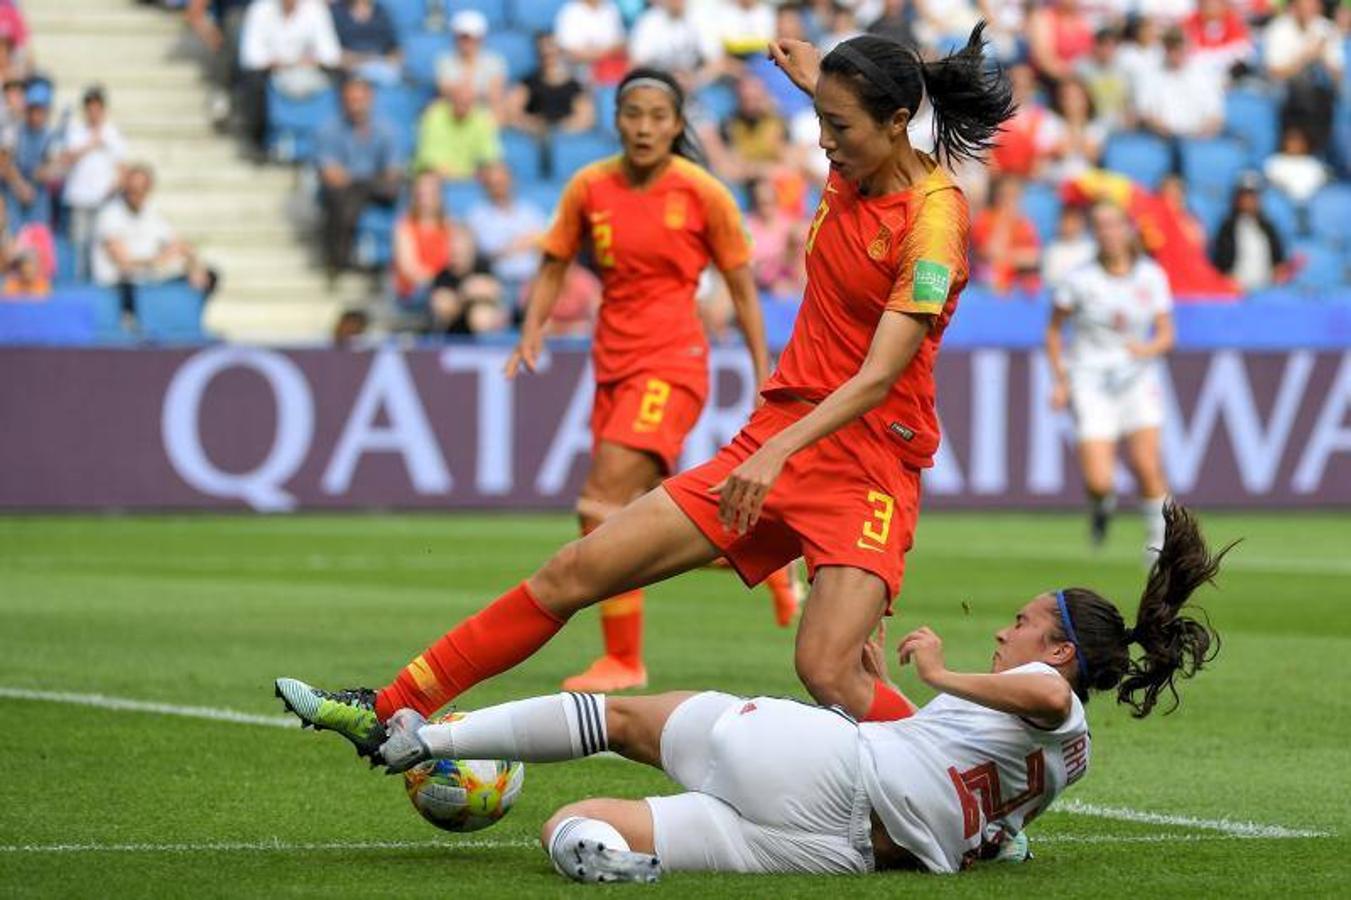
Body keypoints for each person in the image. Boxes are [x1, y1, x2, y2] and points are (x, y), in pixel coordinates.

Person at [275, 26, 1015, 751]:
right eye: (818, 117)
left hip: (865, 464)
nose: (822, 140)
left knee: (827, 669)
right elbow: (829, 75)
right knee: (575, 568)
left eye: (837, 126)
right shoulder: (857, 145)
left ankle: (966, 792)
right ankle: (389, 706)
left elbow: (879, 373)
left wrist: (772, 453)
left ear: (895, 124)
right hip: (777, 437)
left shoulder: (933, 222)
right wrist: (792, 55)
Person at [306, 503, 1228, 882]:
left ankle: (421, 740)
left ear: (1060, 652)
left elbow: (1026, 695)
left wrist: (938, 669)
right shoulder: (1069, 760)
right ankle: (604, 858)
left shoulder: (1044, 694)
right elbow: (978, 802)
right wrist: (884, 694)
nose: (1006, 631)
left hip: (823, 770)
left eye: (1023, 623)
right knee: (573, 822)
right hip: (842, 851)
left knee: (621, 720)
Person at [509, 65, 785, 692]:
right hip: (612, 361)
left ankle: (623, 658)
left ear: (678, 125)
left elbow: (742, 288)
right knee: (639, 517)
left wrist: (762, 368)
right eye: (633, 115)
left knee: (597, 505)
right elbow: (554, 262)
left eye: (658, 117)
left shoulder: (701, 193)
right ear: (616, 121)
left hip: (673, 362)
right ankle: (758, 556)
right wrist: (533, 326)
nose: (644, 127)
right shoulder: (589, 186)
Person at [1045, 202, 1174, 557]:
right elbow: (1054, 332)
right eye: (1099, 225)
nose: (1108, 232)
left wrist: (1146, 350)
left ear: (1128, 229)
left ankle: (1159, 551)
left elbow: (1166, 334)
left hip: (1136, 378)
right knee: (1100, 481)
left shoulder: (1151, 275)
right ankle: (1101, 506)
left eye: (1114, 224)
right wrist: (1060, 380)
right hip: (1090, 380)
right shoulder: (1079, 280)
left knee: (1147, 466)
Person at [91, 164, 218, 326]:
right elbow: (123, 262)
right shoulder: (110, 215)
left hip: (149, 279)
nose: (136, 193)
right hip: (119, 283)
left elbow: (181, 245)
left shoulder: (151, 212)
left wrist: (194, 266)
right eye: (132, 188)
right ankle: (132, 323)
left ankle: (192, 321)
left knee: (209, 276)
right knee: (132, 286)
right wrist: (157, 260)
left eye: (141, 188)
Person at [314, 76, 403, 276]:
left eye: (359, 100)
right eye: (351, 100)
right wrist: (364, 181)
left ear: (370, 99)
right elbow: (331, 174)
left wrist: (358, 180)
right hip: (347, 192)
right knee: (343, 196)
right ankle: (342, 258)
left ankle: (339, 259)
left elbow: (393, 173)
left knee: (358, 193)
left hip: (372, 190)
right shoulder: (330, 129)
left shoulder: (385, 129)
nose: (356, 106)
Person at [237, 0, 341, 158]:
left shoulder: (315, 9)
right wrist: (277, 63)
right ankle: (257, 142)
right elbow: (250, 56)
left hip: (309, 73)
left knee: (345, 79)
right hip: (271, 74)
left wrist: (304, 61)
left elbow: (331, 54)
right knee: (253, 82)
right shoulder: (260, 10)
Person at [59, 85, 128, 279]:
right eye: (90, 109)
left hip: (104, 200)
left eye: (97, 108)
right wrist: (92, 143)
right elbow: (66, 159)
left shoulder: (113, 134)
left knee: (100, 245)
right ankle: (80, 284)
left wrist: (114, 188)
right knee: (80, 244)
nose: (94, 113)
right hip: (79, 198)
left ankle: (98, 284)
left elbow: (122, 167)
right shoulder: (75, 131)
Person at [1263, 0, 1343, 156]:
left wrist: (1324, 57)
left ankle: (1318, 151)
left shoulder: (1326, 28)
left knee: (1325, 97)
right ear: (1293, 8)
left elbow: (1338, 74)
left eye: (1313, 7)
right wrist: (1306, 57)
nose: (1309, 12)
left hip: (1319, 90)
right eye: (1304, 7)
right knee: (1303, 94)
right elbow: (1274, 72)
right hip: (1284, 86)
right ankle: (1299, 149)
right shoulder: (1278, 29)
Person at [465, 162, 547, 307]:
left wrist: (526, 243)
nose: (498, 187)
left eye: (502, 181)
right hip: (498, 284)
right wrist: (521, 243)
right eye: (493, 183)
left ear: (511, 182)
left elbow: (545, 244)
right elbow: (486, 252)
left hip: (531, 281)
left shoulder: (530, 212)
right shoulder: (478, 216)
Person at [505, 33, 595, 140]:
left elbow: (586, 117)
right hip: (535, 139)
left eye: (552, 52)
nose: (549, 56)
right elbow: (512, 112)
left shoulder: (574, 86)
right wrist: (531, 125)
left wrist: (559, 131)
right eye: (544, 53)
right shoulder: (528, 83)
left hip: (566, 140)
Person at [1211, 173, 1288, 292]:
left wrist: (1278, 275)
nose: (1248, 200)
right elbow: (1220, 262)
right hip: (1236, 288)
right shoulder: (1227, 227)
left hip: (1266, 289)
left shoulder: (1268, 227)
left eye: (1252, 196)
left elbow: (1279, 261)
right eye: (1244, 196)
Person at [414, 79, 501, 181]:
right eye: (460, 100)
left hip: (470, 179)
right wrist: (466, 175)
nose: (463, 104)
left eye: (468, 101)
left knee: (497, 176)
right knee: (428, 180)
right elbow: (431, 163)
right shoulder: (434, 116)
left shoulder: (481, 119)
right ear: (451, 99)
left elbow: (490, 158)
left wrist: (482, 172)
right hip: (438, 178)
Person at [2, 77, 57, 227]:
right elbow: (4, 162)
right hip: (12, 192)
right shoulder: (14, 129)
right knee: (14, 236)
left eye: (40, 110)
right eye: (32, 110)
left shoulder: (49, 134)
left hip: (37, 195)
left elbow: (54, 164)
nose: (35, 116)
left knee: (37, 238)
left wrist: (46, 172)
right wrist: (20, 186)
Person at [971, 175, 1040, 294]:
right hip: (988, 285)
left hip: (1017, 286)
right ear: (998, 196)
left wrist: (1007, 256)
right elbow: (989, 253)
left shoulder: (1024, 223)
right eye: (1006, 195)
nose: (1010, 201)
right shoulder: (985, 219)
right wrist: (1004, 222)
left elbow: (1033, 257)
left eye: (1015, 196)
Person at [435, 10, 507, 116]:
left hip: (484, 115)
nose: (467, 42)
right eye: (463, 37)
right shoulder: (444, 61)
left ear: (480, 38)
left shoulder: (495, 61)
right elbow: (445, 91)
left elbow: (495, 96)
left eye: (472, 37)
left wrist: (463, 93)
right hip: (454, 114)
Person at [330, 0, 402, 88]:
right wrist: (358, 59)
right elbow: (331, 49)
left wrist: (392, 61)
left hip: (380, 63)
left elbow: (394, 46)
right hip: (350, 67)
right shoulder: (336, 12)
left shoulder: (381, 11)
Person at [1041, 205, 1095, 288]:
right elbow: (1049, 279)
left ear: (1082, 223)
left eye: (1074, 222)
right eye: (1066, 221)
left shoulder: (1091, 248)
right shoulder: (1052, 250)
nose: (1069, 226)